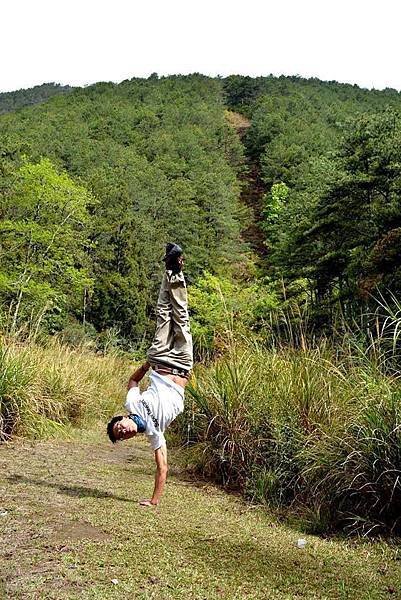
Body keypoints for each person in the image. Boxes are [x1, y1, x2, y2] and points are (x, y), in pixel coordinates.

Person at [107, 243, 193, 507]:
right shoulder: (154, 434)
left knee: (163, 314)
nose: (121, 431)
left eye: (117, 427)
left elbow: (132, 382)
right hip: (182, 366)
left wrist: (145, 367)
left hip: (158, 363)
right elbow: (163, 467)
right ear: (130, 437)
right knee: (181, 317)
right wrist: (154, 500)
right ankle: (174, 271)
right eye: (121, 435)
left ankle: (170, 268)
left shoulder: (131, 404)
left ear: (121, 418)